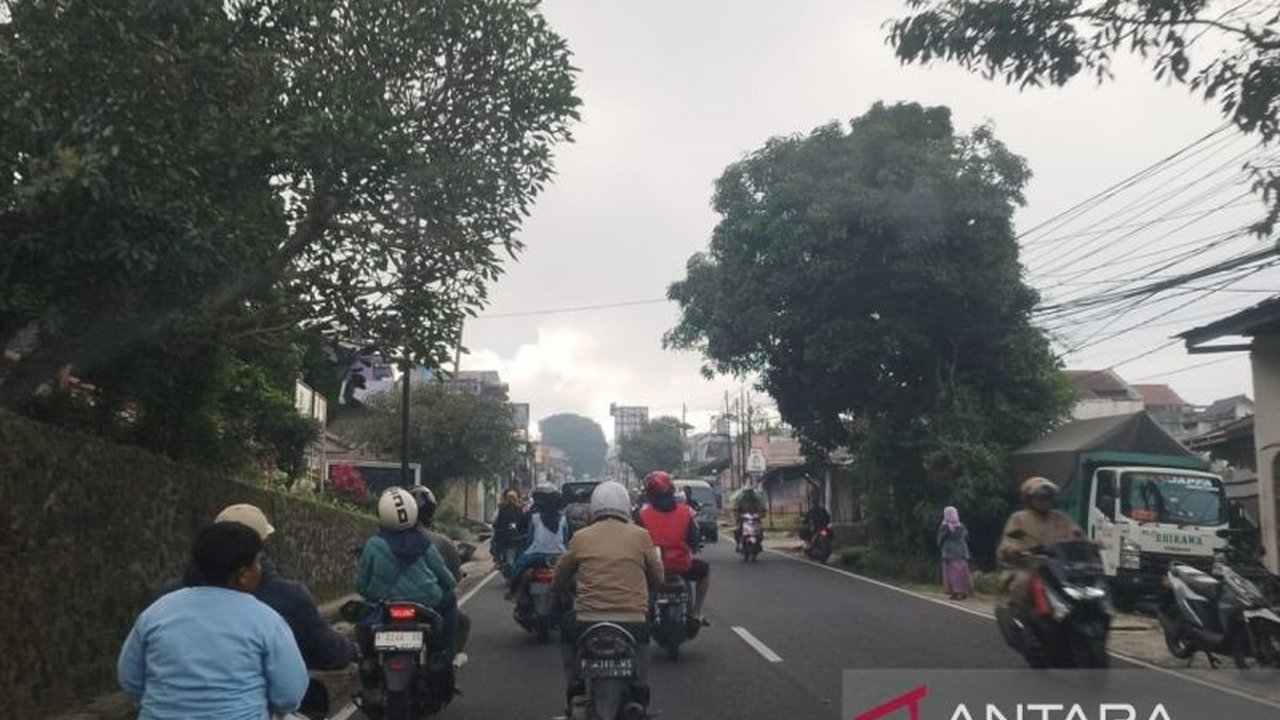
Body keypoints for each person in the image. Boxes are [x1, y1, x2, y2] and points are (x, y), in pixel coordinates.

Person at [118, 522, 309, 720]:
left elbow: (130, 679)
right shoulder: (266, 620)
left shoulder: (157, 612)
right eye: (258, 562)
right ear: (243, 575)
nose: (260, 569)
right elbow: (289, 694)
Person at [155, 504, 358, 675]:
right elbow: (296, 681)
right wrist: (352, 651)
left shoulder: (165, 601)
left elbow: (133, 677)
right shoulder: (278, 607)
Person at [553, 481, 664, 715]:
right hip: (633, 621)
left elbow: (559, 577)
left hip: (587, 621)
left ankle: (574, 683)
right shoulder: (641, 536)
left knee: (565, 627)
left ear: (594, 507)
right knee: (644, 638)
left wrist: (565, 590)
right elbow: (657, 577)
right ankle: (639, 688)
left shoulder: (581, 537)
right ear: (626, 505)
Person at [355, 487, 459, 660]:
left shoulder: (373, 544)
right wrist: (447, 585)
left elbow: (361, 584)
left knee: (362, 622)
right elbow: (448, 579)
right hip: (426, 602)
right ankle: (446, 655)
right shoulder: (424, 542)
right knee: (450, 600)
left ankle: (367, 658)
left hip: (384, 605)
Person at [998, 477, 1084, 612]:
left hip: (1059, 565)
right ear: (1030, 499)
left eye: (1048, 497)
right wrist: (1017, 549)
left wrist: (1084, 541)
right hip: (1029, 565)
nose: (1044, 501)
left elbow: (1076, 532)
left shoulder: (1060, 517)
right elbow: (1008, 543)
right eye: (1039, 497)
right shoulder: (1019, 518)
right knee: (1023, 581)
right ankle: (1019, 612)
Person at [637, 471, 711, 626]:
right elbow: (693, 540)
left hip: (652, 568)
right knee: (705, 571)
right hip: (682, 566)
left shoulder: (642, 515)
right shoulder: (685, 513)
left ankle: (639, 612)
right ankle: (696, 612)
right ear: (671, 490)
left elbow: (636, 543)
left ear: (650, 494)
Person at [408, 485, 471, 663]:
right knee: (454, 607)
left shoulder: (381, 541)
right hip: (430, 603)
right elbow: (453, 579)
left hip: (389, 601)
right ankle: (447, 660)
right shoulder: (440, 542)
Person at [507, 482, 568, 596]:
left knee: (517, 568)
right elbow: (565, 540)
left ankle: (512, 591)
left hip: (536, 553)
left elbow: (530, 538)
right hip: (559, 554)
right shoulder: (563, 520)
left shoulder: (534, 517)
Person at [936, 506, 973, 601]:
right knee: (963, 572)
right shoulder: (961, 525)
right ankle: (964, 592)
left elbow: (940, 539)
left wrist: (940, 545)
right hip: (962, 552)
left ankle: (955, 592)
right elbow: (967, 537)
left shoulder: (945, 526)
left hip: (949, 552)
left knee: (952, 573)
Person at [491, 488, 523, 565]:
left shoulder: (502, 509)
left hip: (503, 537)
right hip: (515, 538)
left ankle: (498, 561)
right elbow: (522, 523)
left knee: (495, 547)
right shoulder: (519, 509)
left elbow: (496, 522)